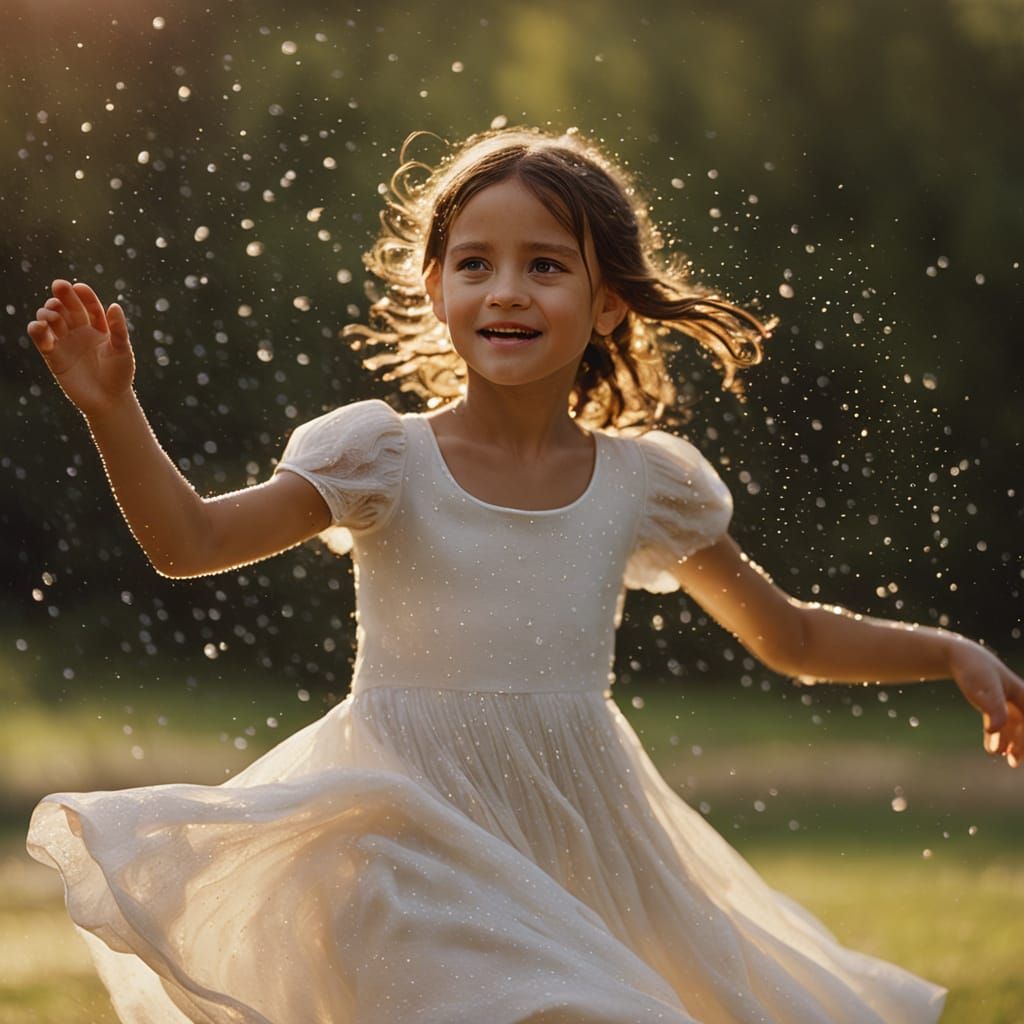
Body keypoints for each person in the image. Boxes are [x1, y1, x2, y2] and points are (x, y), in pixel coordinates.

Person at [25, 126, 1023, 1024]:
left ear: (607, 302)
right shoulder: (380, 457)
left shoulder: (645, 483)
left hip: (574, 835)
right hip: (404, 825)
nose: (505, 289)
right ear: (436, 289)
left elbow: (792, 637)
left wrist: (949, 651)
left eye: (544, 265)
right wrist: (112, 409)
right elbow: (188, 541)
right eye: (476, 263)